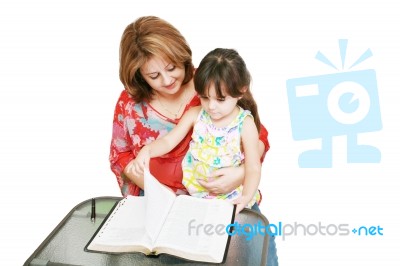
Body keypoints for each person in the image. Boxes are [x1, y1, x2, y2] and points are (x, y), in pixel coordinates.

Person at [109, 16, 278, 265]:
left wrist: (241, 174)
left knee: (250, 252)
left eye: (172, 68)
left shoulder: (211, 82)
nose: (167, 80)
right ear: (139, 75)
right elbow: (121, 154)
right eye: (154, 75)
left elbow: (258, 138)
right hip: (163, 208)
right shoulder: (130, 103)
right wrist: (150, 182)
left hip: (224, 196)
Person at [131, 48, 262, 214]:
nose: (211, 106)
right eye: (205, 97)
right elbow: (168, 141)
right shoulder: (196, 114)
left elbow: (253, 168)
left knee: (243, 237)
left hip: (233, 197)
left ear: (241, 91)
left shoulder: (245, 124)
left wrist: (245, 197)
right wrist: (147, 150)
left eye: (220, 99)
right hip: (197, 197)